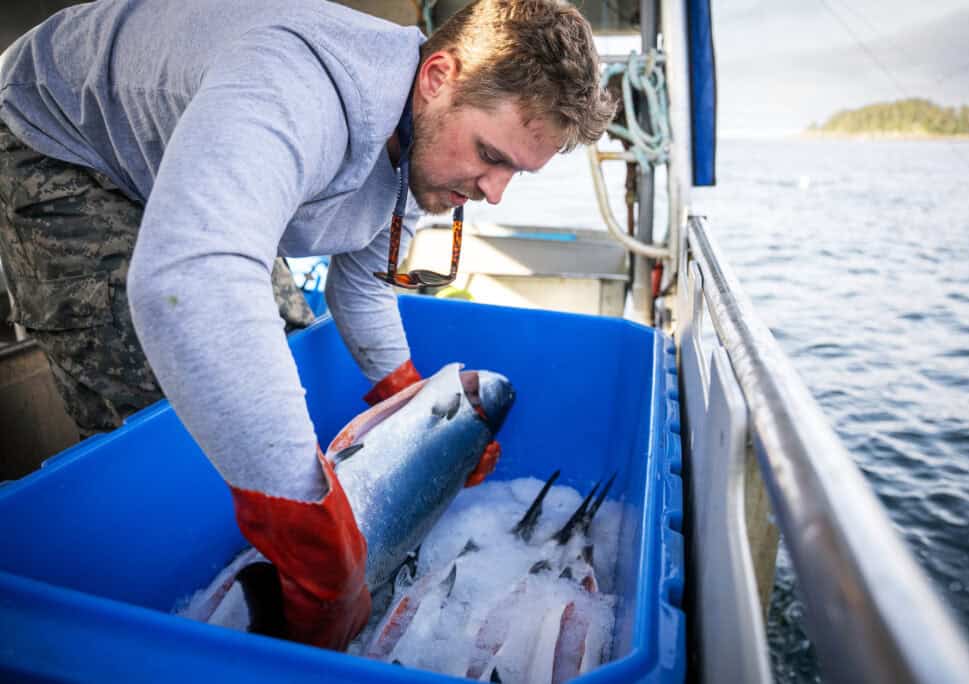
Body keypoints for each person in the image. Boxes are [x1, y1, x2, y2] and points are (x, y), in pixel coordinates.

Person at [0, 0, 615, 650]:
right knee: (182, 403)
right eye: (492, 157)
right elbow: (188, 280)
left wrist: (401, 393)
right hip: (64, 141)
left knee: (279, 355)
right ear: (437, 77)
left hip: (197, 147)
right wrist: (306, 522)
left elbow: (362, 280)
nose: (495, 193)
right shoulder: (300, 87)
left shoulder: (428, 139)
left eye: (516, 170)